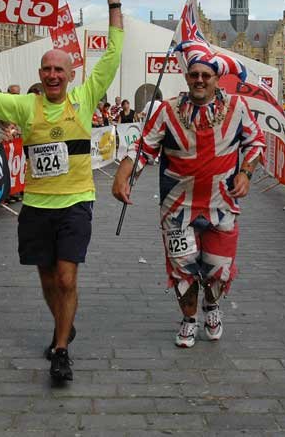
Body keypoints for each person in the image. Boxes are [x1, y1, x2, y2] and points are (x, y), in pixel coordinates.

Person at [0, 0, 124, 382]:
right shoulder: (22, 105)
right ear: (40, 72)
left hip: (75, 203)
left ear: (70, 74)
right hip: (35, 207)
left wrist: (113, 5)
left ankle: (61, 349)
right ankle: (63, 324)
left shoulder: (83, 100)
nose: (52, 75)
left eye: (59, 70)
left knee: (67, 277)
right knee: (49, 280)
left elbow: (113, 57)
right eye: (46, 69)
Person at [112, 40, 265, 350]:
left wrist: (246, 173)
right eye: (194, 74)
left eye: (205, 75)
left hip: (222, 205)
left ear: (216, 78)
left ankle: (211, 307)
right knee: (183, 270)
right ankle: (189, 319)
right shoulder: (167, 111)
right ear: (186, 76)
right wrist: (123, 175)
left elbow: (256, 143)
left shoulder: (237, 108)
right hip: (177, 207)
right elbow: (142, 148)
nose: (199, 80)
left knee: (218, 271)